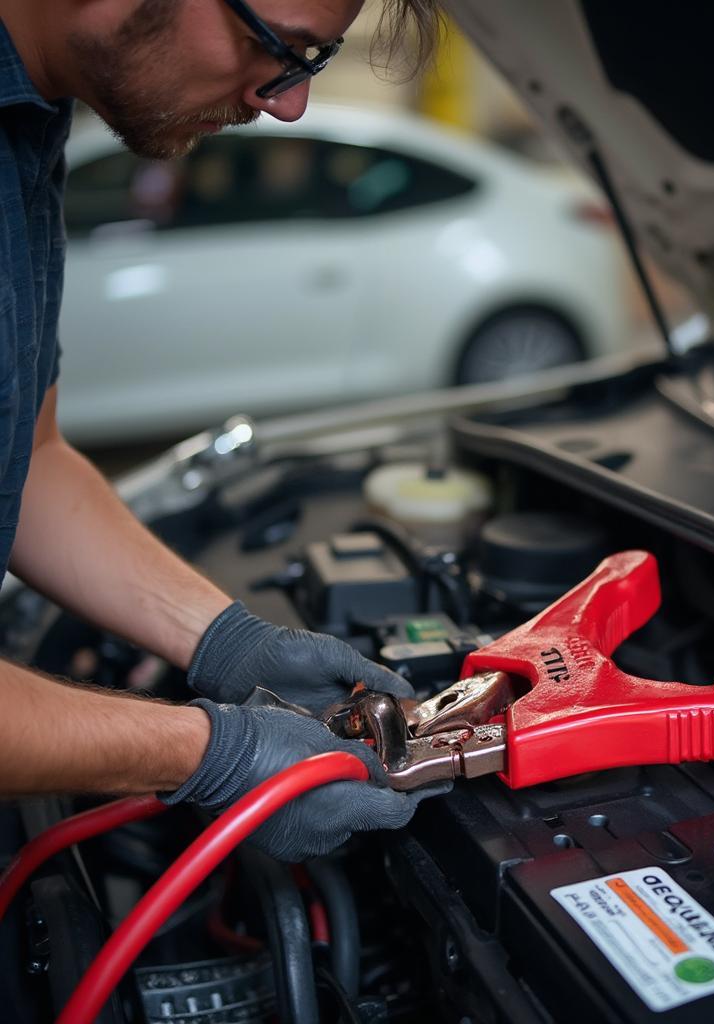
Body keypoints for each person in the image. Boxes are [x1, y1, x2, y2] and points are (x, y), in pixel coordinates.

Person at [0, 0, 446, 863]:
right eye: (277, 46)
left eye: (313, 62)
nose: (287, 103)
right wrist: (211, 753)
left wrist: (226, 642)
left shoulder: (31, 123)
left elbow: (35, 462)